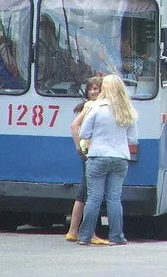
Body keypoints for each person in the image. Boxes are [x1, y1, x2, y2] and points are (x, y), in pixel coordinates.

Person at [77, 74, 139, 246]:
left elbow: (83, 134)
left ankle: (85, 236)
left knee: (94, 198)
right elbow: (133, 139)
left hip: (97, 157)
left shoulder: (96, 108)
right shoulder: (127, 110)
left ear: (104, 89)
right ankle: (116, 236)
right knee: (114, 198)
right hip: (119, 159)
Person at [65, 76, 108, 245]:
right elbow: (74, 126)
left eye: (96, 89)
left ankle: (73, 230)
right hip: (89, 151)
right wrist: (78, 146)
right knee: (91, 193)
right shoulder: (92, 106)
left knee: (85, 191)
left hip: (87, 150)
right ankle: (89, 233)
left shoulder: (88, 105)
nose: (93, 92)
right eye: (90, 89)